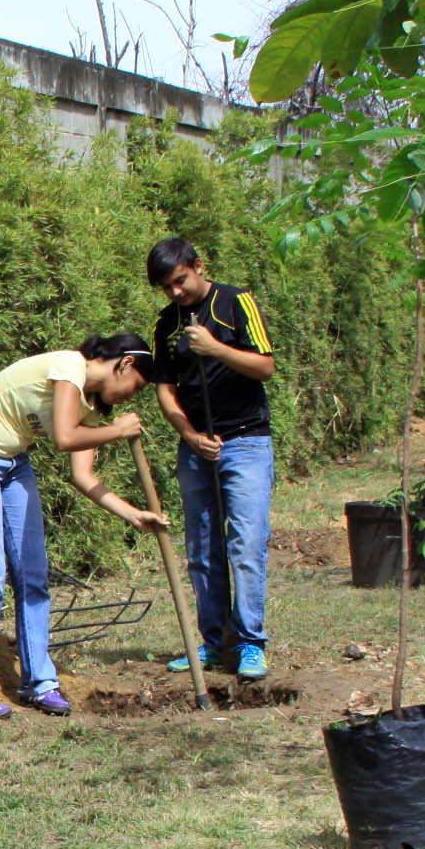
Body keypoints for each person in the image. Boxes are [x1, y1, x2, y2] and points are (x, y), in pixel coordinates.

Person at [0, 336, 170, 718]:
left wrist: (132, 514)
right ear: (125, 364)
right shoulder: (69, 368)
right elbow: (65, 438)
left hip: (13, 462)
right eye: (138, 387)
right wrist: (119, 431)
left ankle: (39, 683)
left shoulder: (92, 407)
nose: (133, 396)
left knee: (33, 574)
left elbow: (83, 476)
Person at [144, 237, 279, 679]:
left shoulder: (236, 302)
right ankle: (215, 644)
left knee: (246, 543)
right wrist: (187, 433)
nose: (176, 293)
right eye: (167, 288)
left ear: (198, 267)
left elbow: (265, 366)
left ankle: (251, 644)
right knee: (203, 548)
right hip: (196, 446)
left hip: (246, 441)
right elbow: (165, 388)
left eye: (179, 281)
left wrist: (215, 348)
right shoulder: (165, 324)